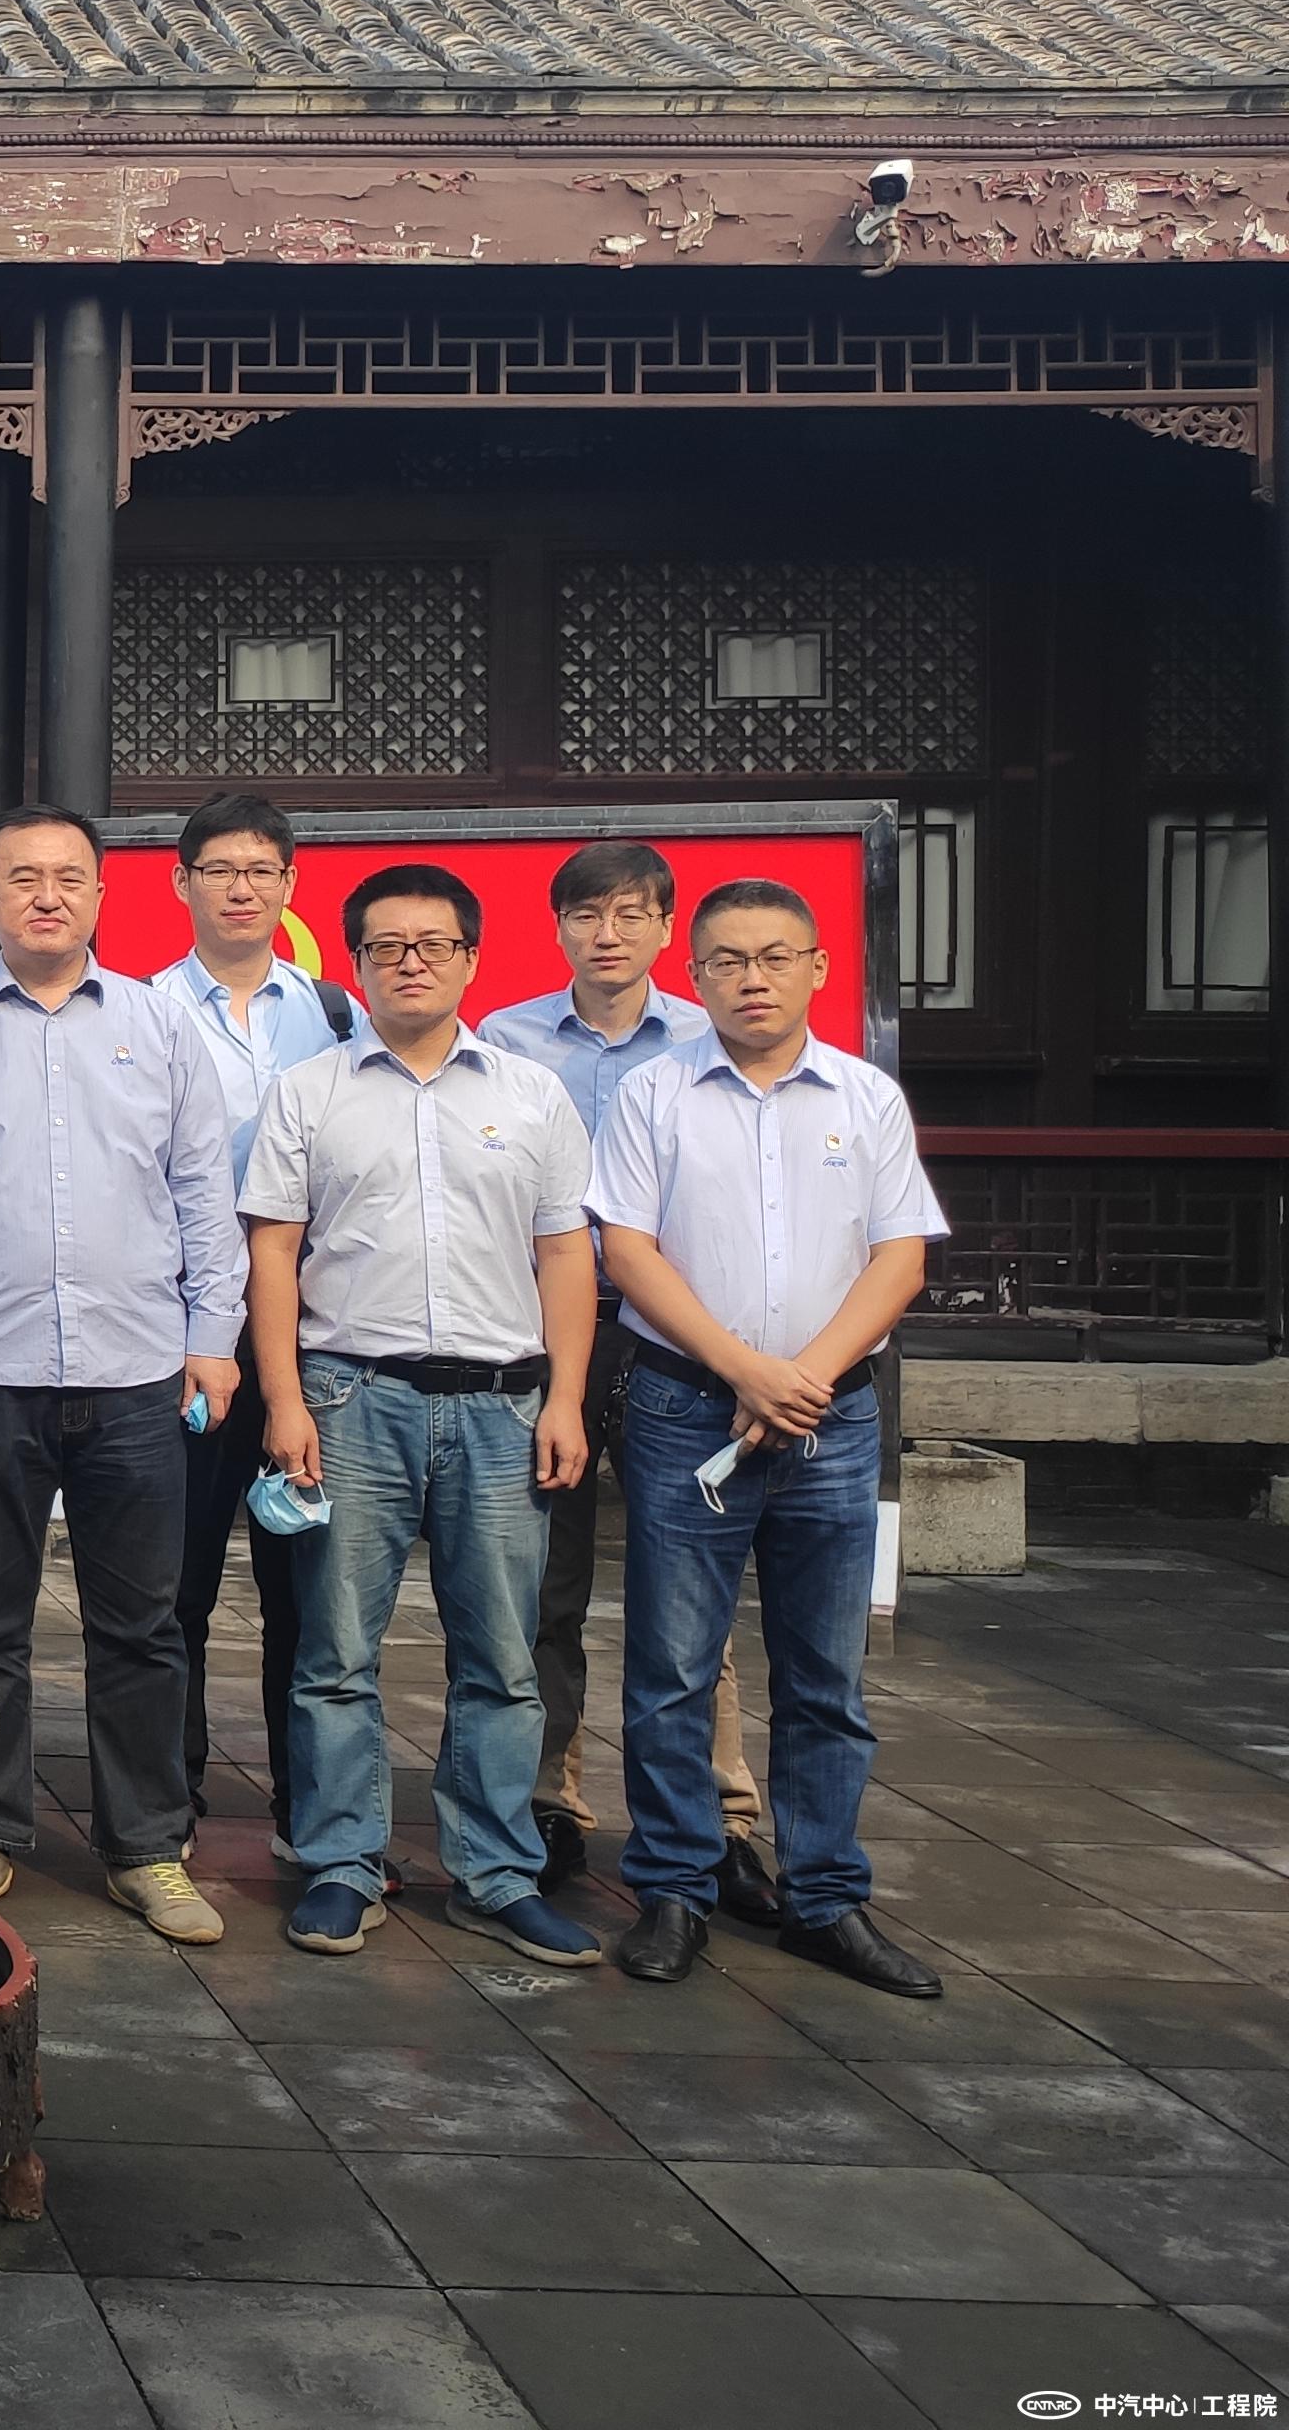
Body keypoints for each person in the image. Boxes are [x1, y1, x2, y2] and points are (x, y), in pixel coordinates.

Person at [0, 804, 239, 1946]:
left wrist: (212, 1334)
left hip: (136, 1368)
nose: (47, 895)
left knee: (144, 1622)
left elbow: (202, 1192)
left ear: (102, 895)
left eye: (69, 876)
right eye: (22, 878)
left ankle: (146, 1846)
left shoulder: (162, 1028)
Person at [241, 863, 602, 1968]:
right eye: (387, 946)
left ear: (470, 959)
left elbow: (564, 1254)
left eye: (433, 944)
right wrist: (284, 1399)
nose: (410, 962)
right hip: (351, 1398)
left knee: (501, 1658)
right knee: (335, 1654)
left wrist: (566, 1399)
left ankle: (496, 1873)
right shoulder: (309, 1091)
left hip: (502, 1406)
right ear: (353, 962)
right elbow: (273, 1252)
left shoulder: (531, 1094)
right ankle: (341, 1863)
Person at [591, 879, 948, 1997]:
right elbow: (627, 1251)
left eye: (775, 957)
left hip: (830, 1419)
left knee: (825, 1675)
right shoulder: (653, 1093)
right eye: (729, 961)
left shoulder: (865, 1097)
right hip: (682, 1407)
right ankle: (674, 1888)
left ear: (817, 969)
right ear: (694, 976)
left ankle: (826, 1898)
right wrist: (745, 1368)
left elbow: (900, 1257)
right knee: (671, 1669)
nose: (753, 979)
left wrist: (803, 1379)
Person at [483, 840, 769, 1919]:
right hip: (540, 1332)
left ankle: (719, 1818)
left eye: (630, 915)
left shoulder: (708, 1040)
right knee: (542, 1581)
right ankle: (548, 1802)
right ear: (557, 927)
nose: (608, 935)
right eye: (586, 915)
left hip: (675, 1339)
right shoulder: (504, 1039)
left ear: (665, 929)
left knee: (689, 1587)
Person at [150, 794, 351, 1852]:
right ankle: (169, 1797)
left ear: (289, 886)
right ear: (180, 883)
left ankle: (305, 1804)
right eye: (219, 869)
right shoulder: (143, 1010)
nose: (241, 888)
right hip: (189, 1325)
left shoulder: (334, 1012)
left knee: (304, 1583)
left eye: (260, 870)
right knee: (176, 1578)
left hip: (313, 1329)